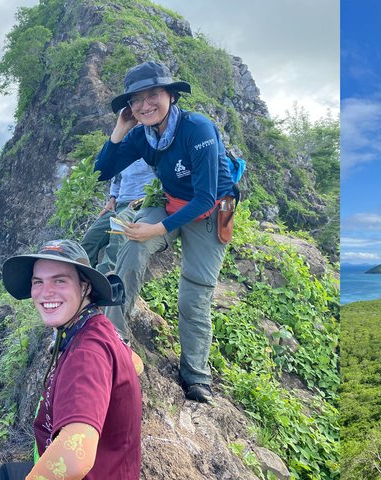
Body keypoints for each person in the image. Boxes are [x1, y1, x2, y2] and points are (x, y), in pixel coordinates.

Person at [94, 61, 237, 403]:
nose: (145, 105)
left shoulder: (197, 129)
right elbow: (103, 170)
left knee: (195, 293)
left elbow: (204, 196)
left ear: (171, 95)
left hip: (211, 209)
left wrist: (156, 229)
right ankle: (115, 336)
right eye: (136, 100)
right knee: (130, 247)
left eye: (153, 95)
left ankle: (196, 375)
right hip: (171, 201)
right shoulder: (143, 135)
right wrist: (119, 129)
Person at [0, 240, 142, 480]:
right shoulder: (96, 327)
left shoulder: (86, 354)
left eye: (59, 280)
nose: (46, 292)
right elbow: (136, 364)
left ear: (85, 287)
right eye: (38, 282)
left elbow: (74, 460)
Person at [80, 158, 155, 274]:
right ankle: (83, 276)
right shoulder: (124, 151)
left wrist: (146, 199)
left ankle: (105, 279)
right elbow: (117, 179)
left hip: (142, 204)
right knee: (91, 237)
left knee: (119, 229)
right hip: (120, 204)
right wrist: (112, 198)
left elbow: (165, 179)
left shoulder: (152, 148)